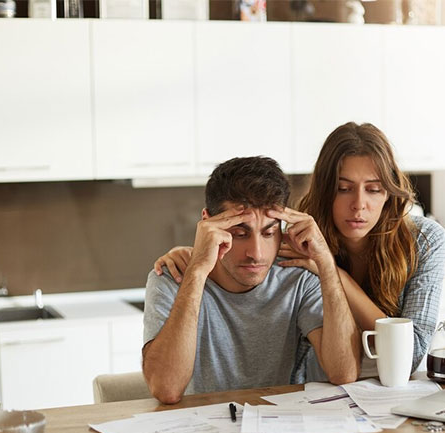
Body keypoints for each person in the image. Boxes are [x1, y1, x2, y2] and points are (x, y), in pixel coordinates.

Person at [154, 122, 445, 380]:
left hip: (394, 386)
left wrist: (331, 271)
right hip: (322, 393)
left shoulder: (424, 241)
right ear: (325, 188)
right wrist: (194, 256)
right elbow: (249, 241)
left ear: (389, 191)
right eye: (344, 188)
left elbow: (412, 354)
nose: (359, 204)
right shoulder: (299, 237)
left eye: (373, 189)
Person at [142, 156, 360, 404]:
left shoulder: (298, 276)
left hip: (284, 427)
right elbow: (166, 388)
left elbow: (344, 374)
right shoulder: (174, 276)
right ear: (207, 223)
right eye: (239, 233)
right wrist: (197, 272)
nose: (256, 253)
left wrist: (326, 265)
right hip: (203, 432)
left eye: (269, 233)